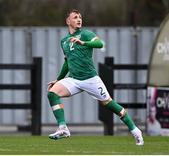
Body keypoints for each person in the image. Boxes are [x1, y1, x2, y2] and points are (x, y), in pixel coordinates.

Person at [47, 9, 144, 145]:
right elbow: (67, 62)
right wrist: (58, 79)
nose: (79, 19)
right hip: (74, 79)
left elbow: (100, 44)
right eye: (75, 17)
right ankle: (63, 128)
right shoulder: (64, 41)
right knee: (52, 94)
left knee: (110, 104)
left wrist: (84, 43)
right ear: (68, 21)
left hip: (90, 79)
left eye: (80, 17)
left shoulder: (86, 34)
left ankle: (135, 130)